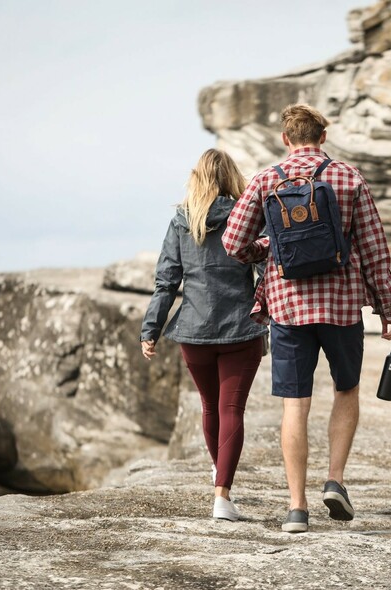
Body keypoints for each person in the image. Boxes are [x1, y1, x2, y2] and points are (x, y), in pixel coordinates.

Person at [222, 103, 391, 533]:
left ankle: (296, 509)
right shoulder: (348, 176)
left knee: (295, 404)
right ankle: (336, 481)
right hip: (342, 306)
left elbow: (233, 242)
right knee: (347, 389)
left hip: (288, 308)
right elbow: (375, 250)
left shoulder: (268, 179)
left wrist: (266, 250)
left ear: (286, 139)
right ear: (323, 137)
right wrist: (388, 309)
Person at [140, 148, 268, 522]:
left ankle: (219, 475)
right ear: (231, 177)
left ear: (196, 178)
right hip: (241, 328)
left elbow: (167, 282)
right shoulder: (246, 216)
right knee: (231, 410)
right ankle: (222, 496)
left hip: (193, 333)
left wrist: (151, 329)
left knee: (210, 407)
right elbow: (266, 268)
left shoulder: (182, 219)